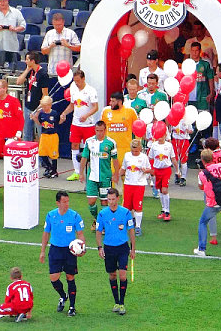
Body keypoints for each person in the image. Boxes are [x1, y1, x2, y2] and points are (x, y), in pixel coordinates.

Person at [39, 190, 85, 318]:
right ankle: (63, 296)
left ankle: (72, 307)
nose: (67, 204)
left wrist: (82, 248)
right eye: (64, 202)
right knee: (54, 278)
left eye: (68, 201)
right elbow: (46, 233)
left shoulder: (75, 216)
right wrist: (42, 251)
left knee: (70, 277)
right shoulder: (50, 215)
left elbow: (80, 234)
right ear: (57, 203)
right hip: (55, 250)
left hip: (70, 252)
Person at [96, 187, 136, 316]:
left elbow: (131, 230)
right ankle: (116, 302)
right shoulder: (102, 214)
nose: (111, 202)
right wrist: (99, 247)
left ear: (118, 199)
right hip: (109, 248)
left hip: (122, 248)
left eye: (113, 199)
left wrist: (133, 248)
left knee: (122, 276)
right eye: (109, 199)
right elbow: (98, 231)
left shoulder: (125, 213)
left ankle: (122, 303)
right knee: (112, 275)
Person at [79, 121, 119, 229]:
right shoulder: (89, 142)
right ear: (95, 130)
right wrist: (81, 173)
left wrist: (116, 173)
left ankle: (103, 224)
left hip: (105, 177)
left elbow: (115, 160)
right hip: (92, 177)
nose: (99, 133)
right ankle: (97, 219)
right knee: (91, 201)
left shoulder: (111, 143)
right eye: (97, 131)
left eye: (101, 131)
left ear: (105, 130)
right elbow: (84, 158)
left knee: (104, 201)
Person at [61, 70, 99, 181]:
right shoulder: (74, 90)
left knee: (90, 147)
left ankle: (91, 171)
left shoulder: (91, 90)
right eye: (75, 81)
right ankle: (76, 171)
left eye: (78, 81)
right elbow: (72, 105)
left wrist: (86, 115)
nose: (77, 83)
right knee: (74, 146)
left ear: (83, 79)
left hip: (88, 125)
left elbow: (95, 107)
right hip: (76, 123)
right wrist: (64, 113)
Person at [120, 139, 152, 236]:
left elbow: (150, 170)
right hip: (128, 184)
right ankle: (128, 224)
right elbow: (123, 168)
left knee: (138, 206)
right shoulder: (127, 156)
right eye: (133, 151)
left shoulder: (144, 157)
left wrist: (145, 170)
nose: (135, 153)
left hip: (139, 185)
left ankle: (138, 226)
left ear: (140, 149)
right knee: (127, 206)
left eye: (137, 151)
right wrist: (116, 176)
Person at [17, 51, 49, 142]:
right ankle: (27, 152)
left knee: (40, 132)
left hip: (38, 108)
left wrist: (39, 110)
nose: (25, 61)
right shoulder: (30, 71)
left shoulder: (43, 74)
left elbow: (45, 94)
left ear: (33, 61)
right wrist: (27, 70)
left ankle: (41, 154)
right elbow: (19, 82)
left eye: (27, 59)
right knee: (27, 133)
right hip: (28, 106)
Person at [149, 124, 179, 222]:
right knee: (160, 190)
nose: (161, 137)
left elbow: (173, 158)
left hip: (166, 170)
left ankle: (167, 211)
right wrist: (150, 170)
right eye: (159, 135)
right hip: (157, 170)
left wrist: (177, 170)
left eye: (162, 135)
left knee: (165, 190)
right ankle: (163, 209)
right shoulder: (154, 145)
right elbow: (151, 158)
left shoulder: (169, 145)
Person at [101, 91, 137, 167]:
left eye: (113, 101)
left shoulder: (130, 111)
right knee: (112, 175)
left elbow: (137, 129)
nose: (110, 103)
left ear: (120, 102)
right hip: (111, 148)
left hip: (126, 149)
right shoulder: (106, 111)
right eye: (110, 101)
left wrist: (136, 145)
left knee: (127, 174)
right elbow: (101, 129)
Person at [33, 96, 60, 178]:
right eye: (43, 106)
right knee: (42, 153)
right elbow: (40, 123)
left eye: (46, 106)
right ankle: (49, 167)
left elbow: (58, 122)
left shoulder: (54, 113)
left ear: (50, 105)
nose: (44, 108)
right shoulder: (41, 113)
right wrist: (34, 118)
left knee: (53, 154)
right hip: (44, 135)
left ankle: (54, 170)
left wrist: (63, 118)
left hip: (53, 136)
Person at [189, 42, 214, 112]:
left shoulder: (206, 63)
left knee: (203, 116)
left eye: (196, 50)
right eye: (193, 51)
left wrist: (211, 92)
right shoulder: (187, 64)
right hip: (190, 96)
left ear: (200, 51)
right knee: (191, 117)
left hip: (203, 95)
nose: (194, 53)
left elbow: (210, 78)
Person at [171, 117, 193, 186]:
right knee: (175, 159)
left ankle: (183, 177)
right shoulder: (173, 119)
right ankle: (177, 174)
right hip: (175, 140)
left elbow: (191, 130)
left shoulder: (187, 120)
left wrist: (188, 131)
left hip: (184, 141)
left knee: (183, 160)